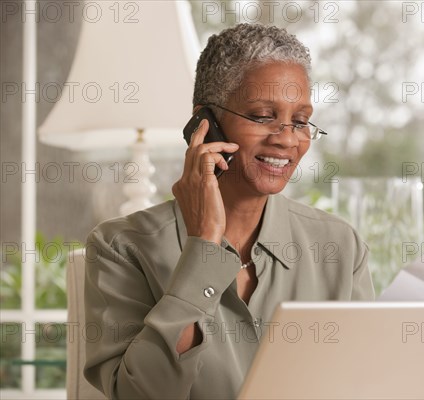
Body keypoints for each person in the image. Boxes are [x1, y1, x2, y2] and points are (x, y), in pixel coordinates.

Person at [84, 23, 374, 400]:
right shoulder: (121, 247)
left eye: (300, 122)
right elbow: (139, 394)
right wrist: (202, 248)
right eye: (262, 115)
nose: (287, 138)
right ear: (205, 123)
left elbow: (366, 381)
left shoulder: (340, 246)